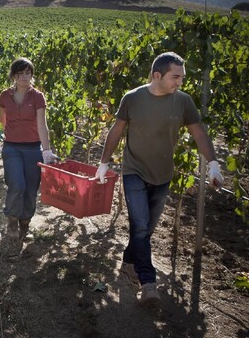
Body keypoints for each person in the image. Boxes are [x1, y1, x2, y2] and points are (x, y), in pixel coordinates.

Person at [94, 51, 224, 304]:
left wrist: (214, 165)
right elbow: (116, 130)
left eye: (182, 78)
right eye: (175, 77)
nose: (180, 82)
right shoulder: (132, 98)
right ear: (157, 75)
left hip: (163, 175)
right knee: (141, 226)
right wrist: (103, 163)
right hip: (134, 171)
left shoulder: (184, 102)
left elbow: (199, 134)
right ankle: (148, 282)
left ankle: (129, 262)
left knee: (147, 228)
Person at [0, 57, 59, 251]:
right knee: (16, 184)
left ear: (32, 75)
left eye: (28, 73)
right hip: (11, 148)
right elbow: (2, 121)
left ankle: (25, 223)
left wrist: (47, 150)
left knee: (31, 190)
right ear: (14, 76)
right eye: (20, 73)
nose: (25, 77)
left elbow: (42, 125)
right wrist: (1, 138)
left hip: (33, 149)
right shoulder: (4, 96)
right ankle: (12, 220)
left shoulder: (37, 97)